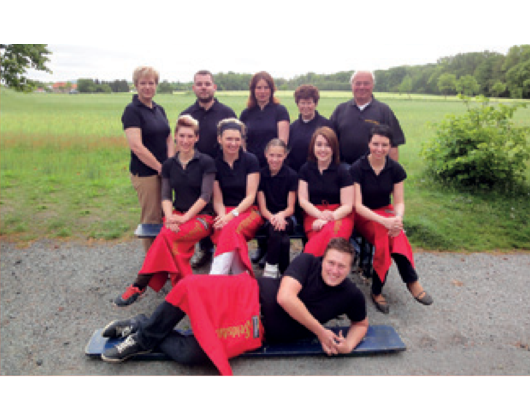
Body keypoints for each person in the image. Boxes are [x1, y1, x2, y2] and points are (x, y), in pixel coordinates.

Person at [101, 238, 369, 369]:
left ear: (350, 268)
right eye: (331, 263)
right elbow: (286, 297)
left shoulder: (350, 295)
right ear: (324, 260)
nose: (334, 270)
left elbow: (361, 322)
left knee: (192, 354)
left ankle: (142, 325)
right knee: (190, 287)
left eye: (342, 267)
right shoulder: (308, 261)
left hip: (255, 329)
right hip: (246, 294)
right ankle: (142, 339)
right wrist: (321, 331)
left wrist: (349, 345)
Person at [114, 116, 217, 307]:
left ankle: (140, 284)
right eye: (181, 136)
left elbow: (205, 196)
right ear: (175, 137)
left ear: (197, 138)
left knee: (167, 235)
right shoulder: (169, 165)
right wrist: (169, 216)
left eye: (189, 136)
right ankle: (186, 290)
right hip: (177, 214)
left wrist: (184, 218)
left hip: (202, 218)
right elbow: (166, 195)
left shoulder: (206, 162)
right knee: (174, 243)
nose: (185, 141)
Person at [350, 125, 433, 314]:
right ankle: (392, 286)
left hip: (386, 213)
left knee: (396, 234)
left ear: (390, 146)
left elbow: (399, 201)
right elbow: (358, 206)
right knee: (384, 234)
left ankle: (404, 283)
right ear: (368, 143)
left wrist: (398, 219)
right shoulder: (358, 168)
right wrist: (384, 221)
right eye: (375, 144)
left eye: (384, 145)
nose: (379, 149)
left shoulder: (395, 169)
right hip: (364, 215)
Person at [180, 70, 237, 269]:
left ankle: (225, 249)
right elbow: (181, 142)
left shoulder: (227, 113)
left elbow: (236, 141)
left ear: (214, 87)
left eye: (207, 83)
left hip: (223, 171)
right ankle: (205, 250)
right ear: (194, 87)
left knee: (221, 210)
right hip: (196, 171)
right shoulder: (186, 115)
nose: (203, 87)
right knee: (201, 210)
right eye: (199, 83)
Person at [122, 66, 175, 252]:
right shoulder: (132, 111)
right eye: (143, 83)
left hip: (164, 171)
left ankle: (164, 256)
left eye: (151, 83)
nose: (147, 87)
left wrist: (170, 163)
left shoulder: (158, 109)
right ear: (136, 85)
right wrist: (160, 167)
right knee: (151, 220)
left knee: (165, 215)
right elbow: (136, 146)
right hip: (146, 174)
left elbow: (169, 138)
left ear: (156, 85)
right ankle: (152, 264)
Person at [241, 71, 290, 264]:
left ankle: (273, 249)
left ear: (271, 89)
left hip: (273, 167)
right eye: (258, 87)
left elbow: (282, 140)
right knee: (258, 208)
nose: (262, 91)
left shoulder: (280, 110)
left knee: (272, 204)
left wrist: (274, 161)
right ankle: (261, 248)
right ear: (253, 90)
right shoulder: (246, 113)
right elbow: (242, 141)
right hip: (253, 168)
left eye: (266, 87)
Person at [209, 118, 263, 276]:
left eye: (237, 139)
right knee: (225, 229)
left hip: (248, 211)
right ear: (220, 139)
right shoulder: (215, 163)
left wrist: (231, 216)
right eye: (229, 139)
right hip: (224, 211)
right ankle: (242, 277)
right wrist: (222, 216)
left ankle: (216, 277)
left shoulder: (250, 160)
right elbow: (217, 199)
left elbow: (251, 196)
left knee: (230, 228)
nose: (233, 143)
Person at [298, 127, 355, 257]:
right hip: (313, 213)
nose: (322, 149)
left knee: (333, 237)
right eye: (319, 145)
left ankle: (306, 262)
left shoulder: (343, 171)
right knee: (321, 234)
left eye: (327, 145)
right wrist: (320, 215)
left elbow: (347, 205)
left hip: (339, 214)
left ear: (334, 148)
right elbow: (303, 200)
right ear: (313, 146)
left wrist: (329, 217)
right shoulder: (305, 169)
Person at [330, 71, 406, 165]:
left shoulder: (384, 111)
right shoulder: (340, 110)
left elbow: (394, 145)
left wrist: (392, 173)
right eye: (358, 83)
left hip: (374, 170)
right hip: (344, 169)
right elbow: (329, 139)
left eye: (366, 83)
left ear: (372, 85)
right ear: (352, 86)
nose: (362, 87)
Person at [257, 139, 298, 278]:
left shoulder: (292, 175)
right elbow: (263, 209)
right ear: (266, 155)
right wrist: (274, 218)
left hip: (287, 217)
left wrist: (281, 216)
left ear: (285, 155)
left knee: (277, 231)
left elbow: (291, 208)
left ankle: (270, 271)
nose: (275, 159)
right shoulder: (261, 175)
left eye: (279, 156)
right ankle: (286, 273)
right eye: (272, 155)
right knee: (283, 240)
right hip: (268, 217)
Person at [288, 84, 332, 173]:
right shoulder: (292, 128)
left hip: (319, 174)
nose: (306, 107)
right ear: (297, 104)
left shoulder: (326, 125)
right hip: (296, 174)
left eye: (309, 103)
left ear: (315, 103)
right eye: (302, 103)